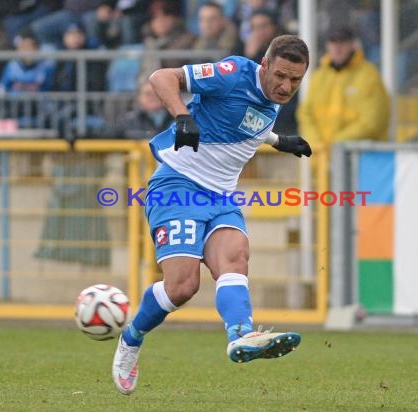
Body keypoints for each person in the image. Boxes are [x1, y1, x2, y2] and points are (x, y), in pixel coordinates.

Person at [111, 34, 312, 395]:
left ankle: (240, 334)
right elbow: (161, 77)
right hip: (177, 186)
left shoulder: (274, 97)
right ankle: (131, 337)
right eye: (280, 76)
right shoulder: (233, 72)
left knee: (235, 258)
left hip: (221, 196)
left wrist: (280, 141)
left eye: (295, 80)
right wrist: (183, 116)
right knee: (183, 287)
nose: (286, 86)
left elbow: (243, 120)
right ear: (264, 66)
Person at [296, 26, 389, 151]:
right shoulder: (319, 76)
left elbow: (373, 122)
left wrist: (334, 144)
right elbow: (305, 113)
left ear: (352, 44)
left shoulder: (369, 76)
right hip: (322, 157)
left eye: (342, 42)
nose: (337, 47)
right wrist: (315, 143)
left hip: (357, 156)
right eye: (333, 42)